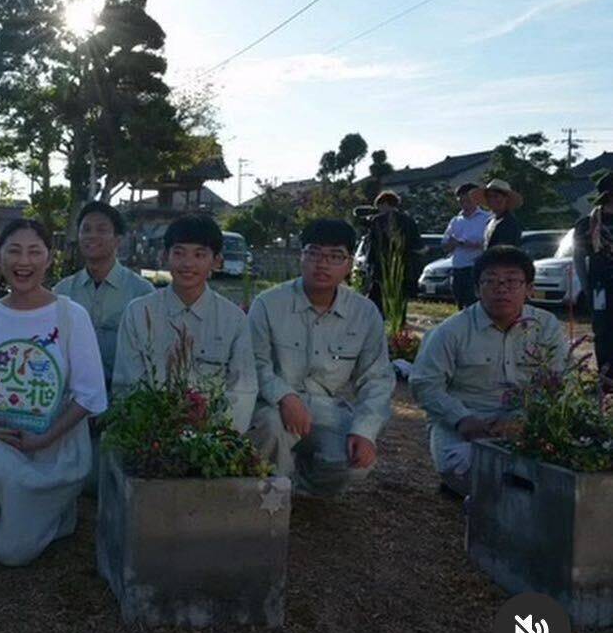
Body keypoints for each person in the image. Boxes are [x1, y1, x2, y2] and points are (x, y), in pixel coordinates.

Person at [0, 218, 106, 566]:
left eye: (35, 252)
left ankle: (55, 510)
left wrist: (44, 437)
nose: (24, 262)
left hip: (56, 448)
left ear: (49, 258)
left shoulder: (71, 315)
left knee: (11, 553)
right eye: (14, 251)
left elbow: (90, 394)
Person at [248, 218, 395, 497]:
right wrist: (284, 396)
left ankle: (297, 486)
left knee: (353, 463)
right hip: (274, 406)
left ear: (349, 264)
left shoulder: (365, 313)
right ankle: (270, 493)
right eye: (314, 253)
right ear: (301, 257)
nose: (322, 264)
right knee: (268, 426)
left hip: (328, 410)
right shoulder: (268, 304)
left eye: (335, 256)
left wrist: (365, 431)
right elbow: (255, 363)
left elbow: (376, 379)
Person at [410, 245, 569, 496]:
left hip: (526, 423)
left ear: (529, 289)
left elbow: (559, 381)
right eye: (491, 281)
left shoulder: (546, 326)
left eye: (512, 281)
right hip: (464, 426)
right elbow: (425, 385)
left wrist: (521, 419)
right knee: (469, 470)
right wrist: (462, 419)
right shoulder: (450, 332)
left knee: (560, 471)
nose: (501, 288)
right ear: (477, 289)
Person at [114, 213, 255, 431]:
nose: (188, 263)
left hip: (213, 437)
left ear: (216, 261)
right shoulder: (138, 313)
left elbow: (242, 391)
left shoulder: (234, 320)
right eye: (179, 253)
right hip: (148, 435)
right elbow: (127, 385)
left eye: (199, 255)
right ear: (165, 256)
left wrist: (214, 433)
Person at [57, 201, 155, 387]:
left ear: (118, 239)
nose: (92, 236)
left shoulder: (142, 292)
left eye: (101, 230)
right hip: (72, 396)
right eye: (86, 230)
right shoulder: (62, 291)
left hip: (123, 397)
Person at [570, 170, 613, 380]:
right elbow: (579, 258)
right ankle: (606, 378)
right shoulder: (587, 224)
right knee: (603, 331)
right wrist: (586, 287)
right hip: (600, 284)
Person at [364, 191, 423, 321]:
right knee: (399, 302)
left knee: (376, 301)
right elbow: (417, 245)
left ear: (385, 204)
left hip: (382, 267)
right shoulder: (409, 221)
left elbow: (372, 245)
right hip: (402, 267)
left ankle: (376, 324)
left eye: (379, 206)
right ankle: (398, 326)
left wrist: (369, 264)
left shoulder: (378, 221)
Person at [441, 182, 490, 310]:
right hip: (457, 268)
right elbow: (445, 245)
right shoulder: (456, 221)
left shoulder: (486, 219)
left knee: (475, 305)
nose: (465, 205)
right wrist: (452, 243)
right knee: (460, 305)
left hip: (475, 268)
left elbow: (488, 244)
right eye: (461, 201)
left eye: (468, 201)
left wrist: (464, 243)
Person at [478, 179, 524, 250]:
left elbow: (504, 250)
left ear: (506, 199)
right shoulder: (490, 221)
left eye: (496, 196)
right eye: (489, 196)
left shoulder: (509, 222)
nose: (492, 200)